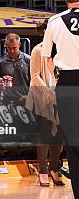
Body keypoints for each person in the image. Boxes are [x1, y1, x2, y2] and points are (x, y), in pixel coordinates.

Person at [42, 0, 79, 199]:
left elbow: (46, 57)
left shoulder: (55, 22)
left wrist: (56, 79)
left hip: (67, 84)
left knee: (73, 144)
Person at [26, 20, 64, 187]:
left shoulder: (63, 49)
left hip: (62, 96)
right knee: (44, 134)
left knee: (59, 135)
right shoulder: (38, 50)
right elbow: (35, 77)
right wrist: (50, 92)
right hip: (42, 97)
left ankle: (55, 169)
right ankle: (42, 170)